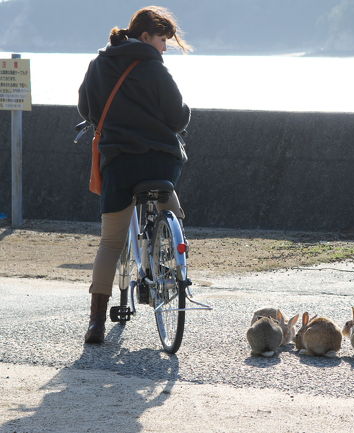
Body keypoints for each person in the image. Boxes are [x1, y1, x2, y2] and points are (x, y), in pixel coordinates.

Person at [77, 6, 192, 344]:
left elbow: (86, 108)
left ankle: (96, 324)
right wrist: (186, 114)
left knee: (110, 242)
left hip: (119, 163)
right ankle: (169, 232)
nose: (165, 48)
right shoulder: (154, 69)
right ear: (145, 37)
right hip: (160, 161)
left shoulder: (99, 65)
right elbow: (176, 117)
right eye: (162, 40)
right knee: (166, 196)